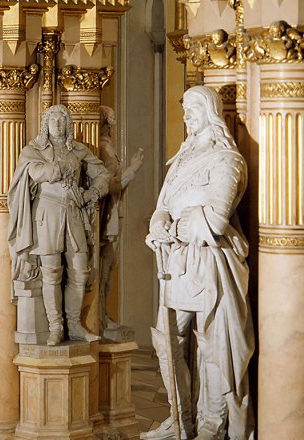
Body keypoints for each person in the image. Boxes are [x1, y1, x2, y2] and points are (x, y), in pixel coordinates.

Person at [142, 86, 255, 440]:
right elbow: (164, 204)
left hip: (208, 262)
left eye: (193, 109)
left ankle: (212, 423)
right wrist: (159, 222)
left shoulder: (227, 160)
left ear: (210, 112)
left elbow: (216, 220)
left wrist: (177, 224)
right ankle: (179, 419)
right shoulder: (183, 160)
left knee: (213, 344)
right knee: (167, 340)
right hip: (175, 262)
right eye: (185, 108)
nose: (187, 115)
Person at [8, 104, 109, 346]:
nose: (58, 123)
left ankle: (74, 325)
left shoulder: (78, 150)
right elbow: (31, 172)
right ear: (45, 123)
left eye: (63, 118)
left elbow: (103, 174)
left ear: (68, 124)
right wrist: (51, 170)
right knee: (51, 273)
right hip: (47, 214)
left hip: (73, 214)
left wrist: (92, 192)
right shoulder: (34, 150)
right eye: (53, 118)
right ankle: (56, 327)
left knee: (79, 271)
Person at [97, 105, 144, 331]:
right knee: (104, 267)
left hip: (114, 211)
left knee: (110, 267)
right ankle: (99, 316)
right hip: (107, 215)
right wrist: (133, 169)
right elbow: (108, 185)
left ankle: (102, 314)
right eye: (111, 122)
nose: (112, 127)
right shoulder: (103, 146)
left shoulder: (107, 146)